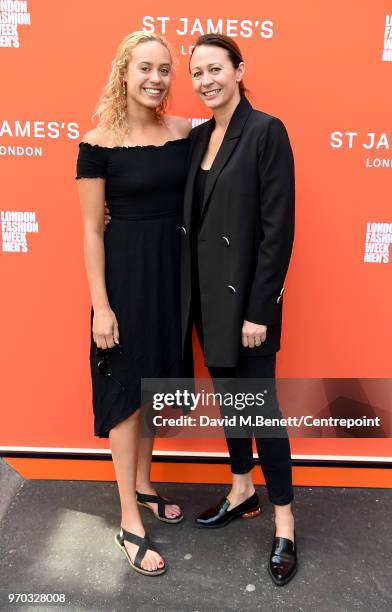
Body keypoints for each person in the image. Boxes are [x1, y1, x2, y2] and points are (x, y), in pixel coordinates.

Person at [180, 34, 297, 586]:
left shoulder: (266, 131)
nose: (205, 80)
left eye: (214, 69)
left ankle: (285, 522)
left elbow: (278, 230)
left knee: (262, 410)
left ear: (238, 70)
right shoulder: (199, 135)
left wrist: (260, 310)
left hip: (247, 308)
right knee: (232, 403)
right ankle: (241, 488)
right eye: (197, 73)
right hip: (205, 300)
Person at [76, 31, 191, 576]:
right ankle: (129, 518)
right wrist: (101, 306)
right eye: (145, 67)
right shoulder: (97, 143)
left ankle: (145, 485)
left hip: (172, 280)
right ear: (124, 70)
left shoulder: (185, 131)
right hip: (124, 283)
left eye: (165, 69)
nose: (156, 78)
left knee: (158, 387)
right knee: (125, 394)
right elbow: (92, 233)